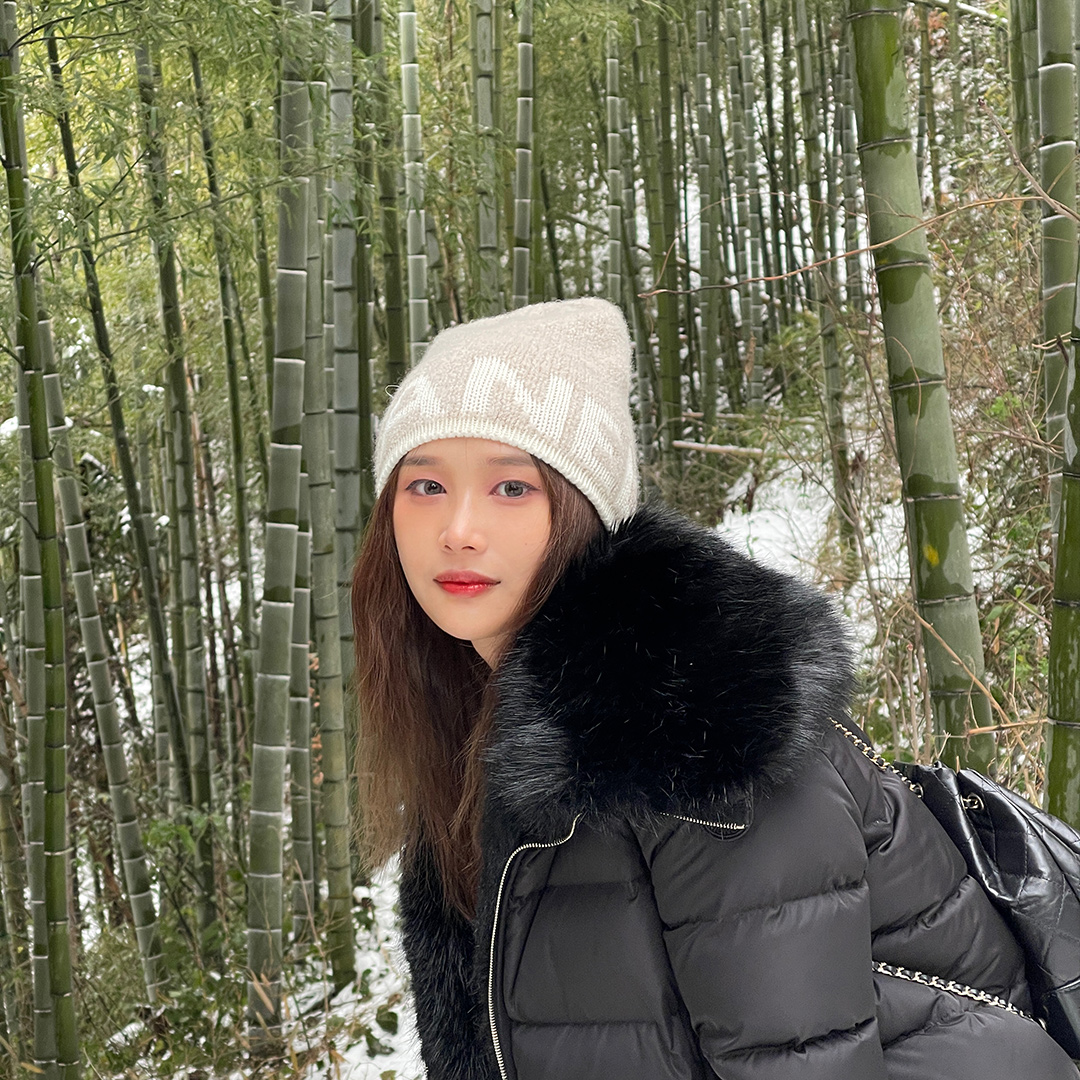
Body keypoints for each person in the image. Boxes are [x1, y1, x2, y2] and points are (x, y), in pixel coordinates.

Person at [351, 298, 1078, 1080]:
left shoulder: (698, 724)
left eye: (511, 488)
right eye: (425, 486)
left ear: (585, 509)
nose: (459, 529)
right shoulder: (469, 727)